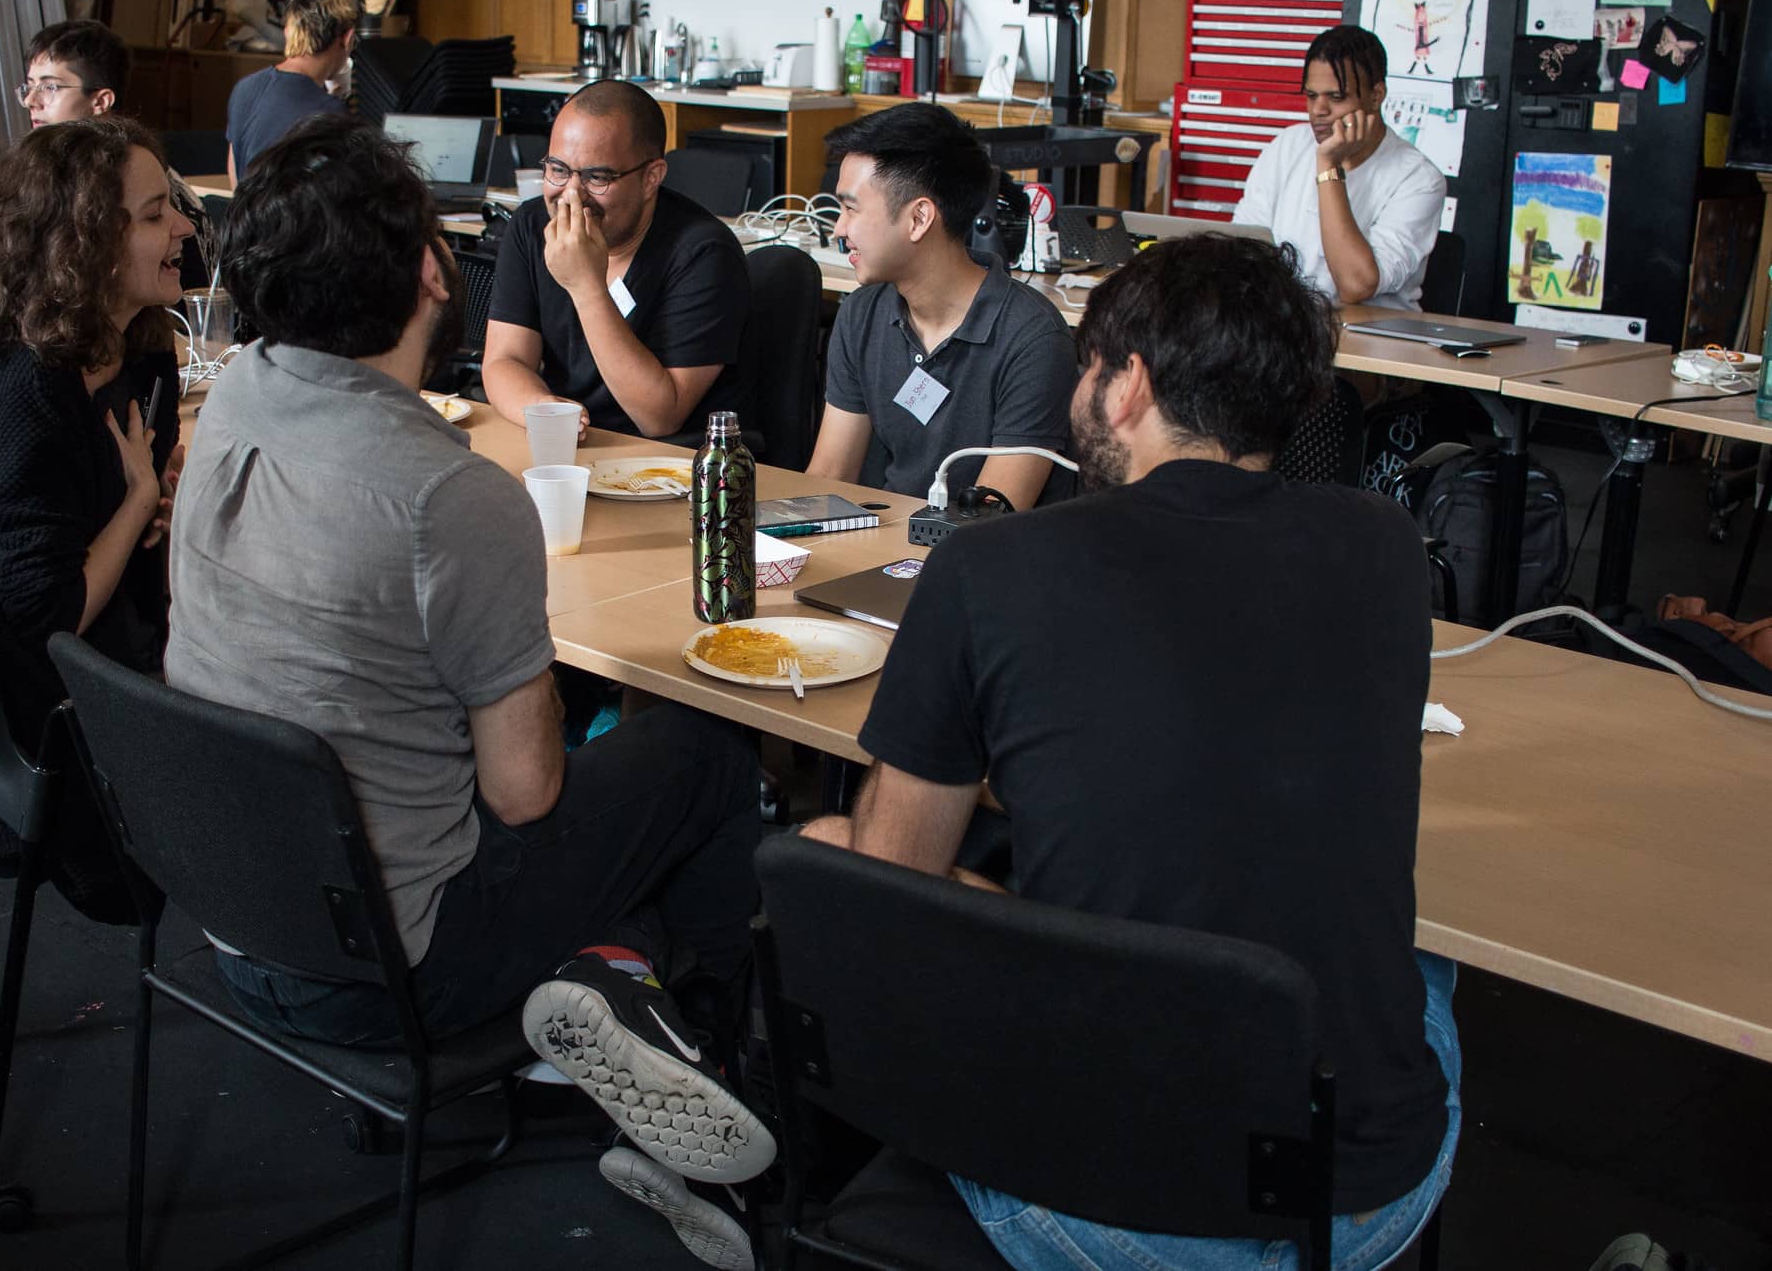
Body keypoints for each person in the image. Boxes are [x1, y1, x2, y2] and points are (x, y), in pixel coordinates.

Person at [164, 115, 772, 1268]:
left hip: (233, 915)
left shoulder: (232, 395)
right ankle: (712, 1084)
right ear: (434, 270)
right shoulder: (447, 498)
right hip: (394, 970)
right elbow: (530, 793)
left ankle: (617, 982)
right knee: (696, 753)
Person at [803, 234, 1460, 1271]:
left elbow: (896, 888)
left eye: (1088, 367)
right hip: (1361, 1201)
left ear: (1128, 386)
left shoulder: (988, 566)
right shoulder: (1383, 546)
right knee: (1428, 961)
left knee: (833, 847)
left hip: (1092, 1207)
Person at [0, 117, 188, 921]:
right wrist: (140, 500)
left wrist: (159, 505)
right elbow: (44, 614)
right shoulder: (25, 392)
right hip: (53, 725)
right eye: (152, 216)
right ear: (85, 245)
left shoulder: (141, 350)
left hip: (115, 657)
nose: (181, 227)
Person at [805, 102, 1076, 510]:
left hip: (979, 563)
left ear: (919, 219)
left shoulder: (1033, 337)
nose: (839, 229)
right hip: (882, 548)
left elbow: (991, 518)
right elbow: (830, 477)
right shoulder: (861, 313)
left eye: (850, 208)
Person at [481, 79, 748, 439]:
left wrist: (587, 286)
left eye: (597, 177)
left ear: (651, 177)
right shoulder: (531, 225)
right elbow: (504, 360)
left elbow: (659, 417)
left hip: (670, 465)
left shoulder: (704, 253)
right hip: (576, 447)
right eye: (558, 170)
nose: (571, 195)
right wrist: (541, 409)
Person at [1232, 25, 1445, 310]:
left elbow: (1355, 285)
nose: (1318, 110)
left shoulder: (1418, 178)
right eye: (1311, 96)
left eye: (1336, 97)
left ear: (1376, 95)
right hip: (1286, 332)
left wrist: (1328, 165)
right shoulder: (1287, 145)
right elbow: (1241, 255)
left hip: (1369, 344)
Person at [21, 18, 213, 288]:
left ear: (101, 101)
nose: (31, 101)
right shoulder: (55, 170)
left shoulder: (140, 180)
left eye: (50, 87)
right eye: (29, 85)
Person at [224, 0, 358, 181]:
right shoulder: (329, 113)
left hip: (244, 214)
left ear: (288, 31)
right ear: (347, 38)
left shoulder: (245, 88)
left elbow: (235, 174)